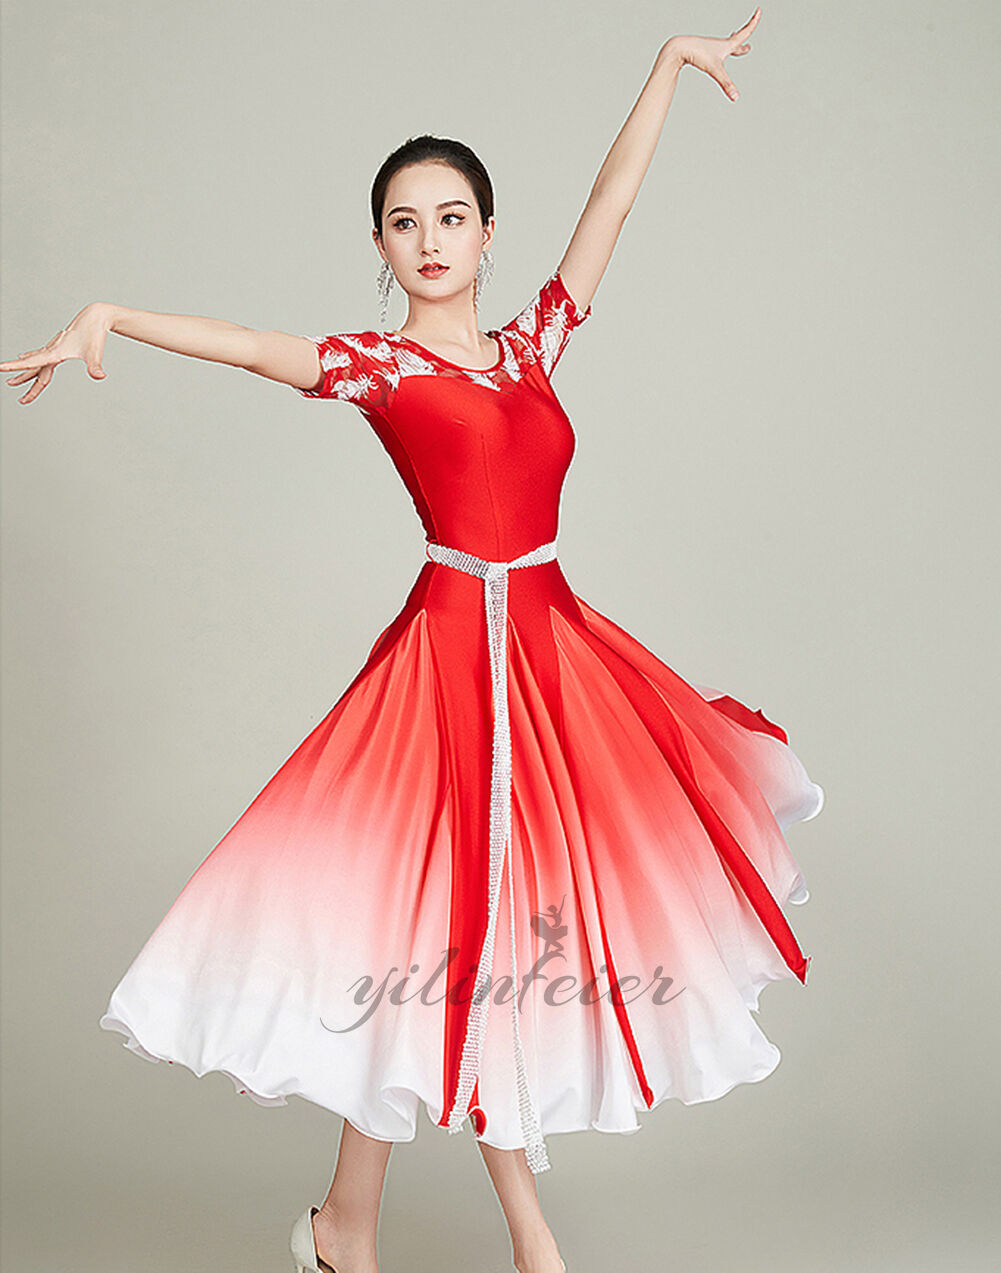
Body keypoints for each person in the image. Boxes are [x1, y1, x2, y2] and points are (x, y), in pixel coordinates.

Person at [3, 10, 825, 1273]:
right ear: (381, 247)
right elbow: (253, 349)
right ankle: (524, 1240)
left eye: (451, 217)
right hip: (448, 662)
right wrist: (112, 312)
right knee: (466, 934)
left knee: (443, 942)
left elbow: (609, 207)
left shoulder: (533, 346)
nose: (429, 240)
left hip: (551, 654)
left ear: (487, 234)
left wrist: (664, 66)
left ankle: (347, 1226)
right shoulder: (376, 367)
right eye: (403, 222)